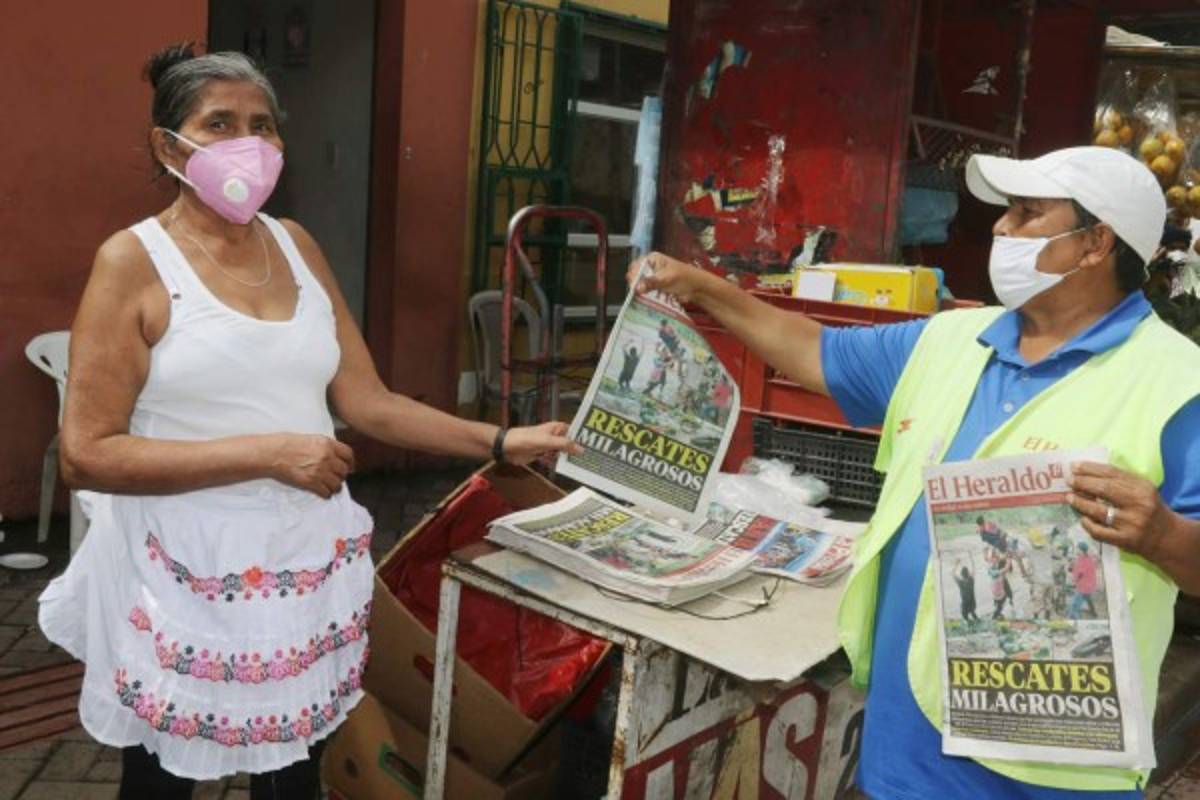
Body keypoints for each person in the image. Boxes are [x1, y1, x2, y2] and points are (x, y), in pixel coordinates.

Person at [37, 45, 577, 800]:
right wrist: (267, 453)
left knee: (293, 773)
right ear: (169, 145)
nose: (247, 143)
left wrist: (498, 441)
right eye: (219, 123)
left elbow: (367, 402)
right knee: (161, 777)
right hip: (182, 572)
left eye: (263, 125)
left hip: (297, 566)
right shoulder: (134, 260)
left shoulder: (295, 245)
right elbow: (86, 454)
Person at [630, 146, 1200, 797]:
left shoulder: (1176, 384)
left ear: (1096, 243)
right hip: (906, 748)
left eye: (1026, 213)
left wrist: (1162, 537)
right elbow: (812, 350)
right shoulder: (951, 340)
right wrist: (699, 285)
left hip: (1045, 774)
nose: (1000, 228)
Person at [1070, 540, 1100, 619]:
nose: (1076, 550)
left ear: (1081, 550)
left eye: (1077, 549)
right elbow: (1094, 566)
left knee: (1075, 605)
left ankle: (1076, 620)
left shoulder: (1082, 560)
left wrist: (1074, 580)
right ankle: (1094, 613)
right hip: (1090, 584)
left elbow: (1079, 573)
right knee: (1088, 598)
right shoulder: (1089, 558)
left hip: (1083, 585)